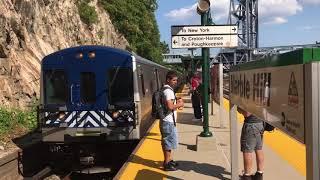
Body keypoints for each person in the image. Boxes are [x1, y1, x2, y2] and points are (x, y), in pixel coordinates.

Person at [160, 71, 184, 171]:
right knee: (168, 142)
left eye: (176, 80)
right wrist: (180, 104)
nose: (175, 82)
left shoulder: (166, 89)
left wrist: (176, 100)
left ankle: (169, 160)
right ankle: (167, 163)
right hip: (168, 121)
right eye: (173, 80)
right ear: (168, 80)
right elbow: (170, 106)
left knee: (168, 142)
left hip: (168, 120)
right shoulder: (168, 91)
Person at [238, 108, 264, 180]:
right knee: (259, 149)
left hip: (250, 125)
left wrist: (239, 108)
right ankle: (259, 175)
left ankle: (247, 176)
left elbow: (247, 113)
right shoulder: (261, 96)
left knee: (247, 151)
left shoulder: (251, 97)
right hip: (260, 124)